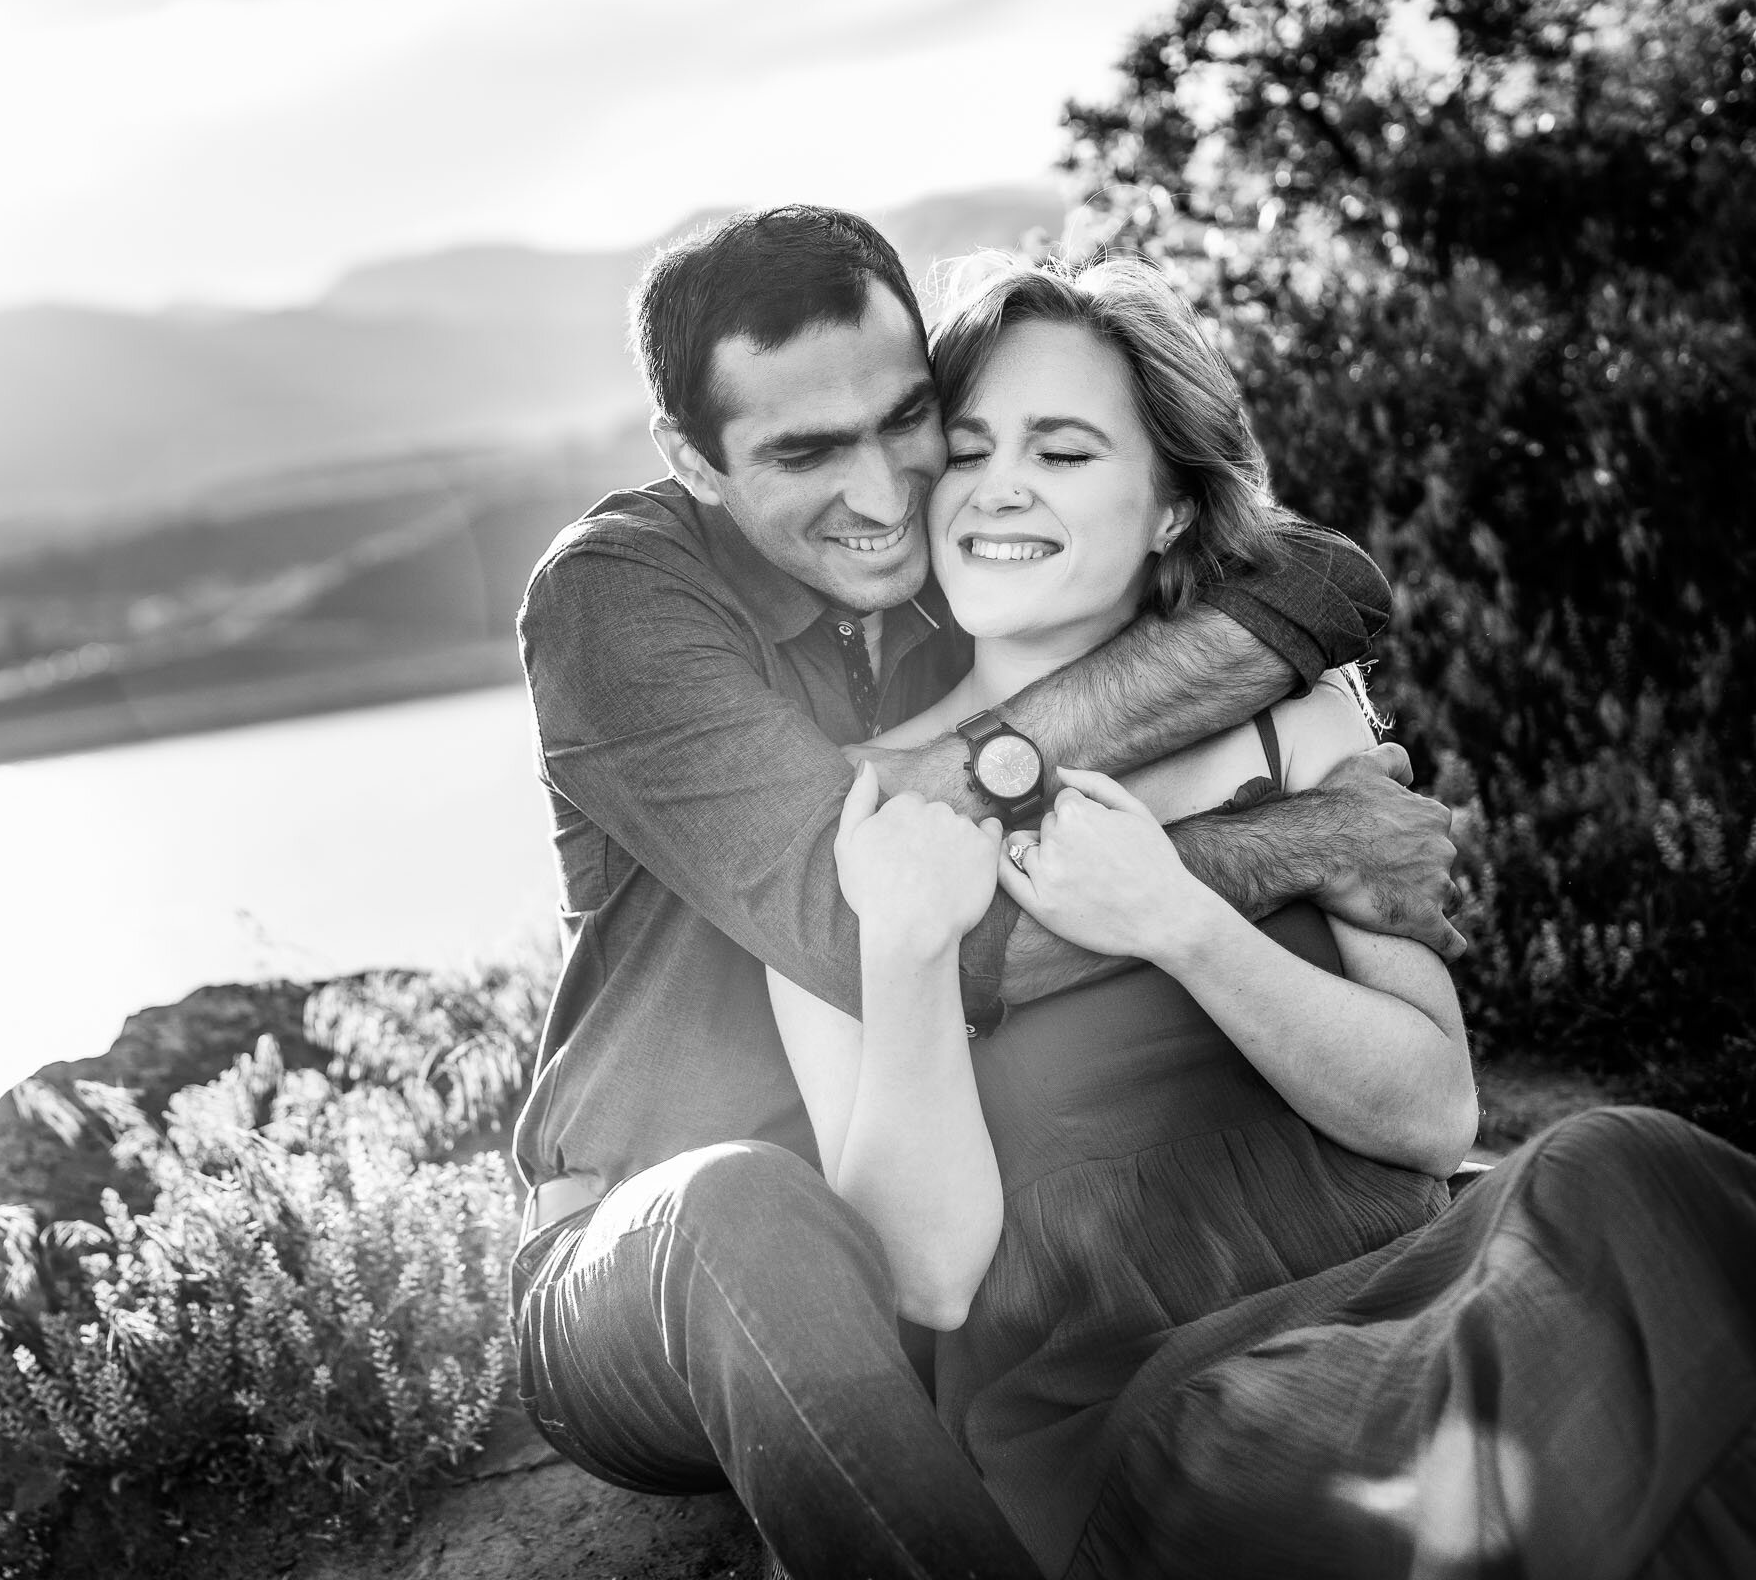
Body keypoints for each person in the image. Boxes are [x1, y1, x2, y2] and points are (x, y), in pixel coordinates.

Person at [507, 204, 1461, 1578]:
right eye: (803, 453)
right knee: (748, 1215)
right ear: (693, 462)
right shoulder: (617, 600)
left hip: (926, 1220)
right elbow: (874, 928)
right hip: (655, 1258)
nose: (884, 492)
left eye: (908, 423)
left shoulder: (954, 554)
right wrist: (1284, 847)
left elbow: (1313, 579)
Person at [772, 251, 1756, 1578]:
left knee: (1620, 1168)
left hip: (1412, 1283)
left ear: (1173, 508)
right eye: (966, 448)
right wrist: (901, 947)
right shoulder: (850, 819)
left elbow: (1430, 1113)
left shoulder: (1298, 714)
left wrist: (1180, 918)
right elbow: (929, 1279)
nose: (998, 487)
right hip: (1143, 1402)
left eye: (1062, 452)